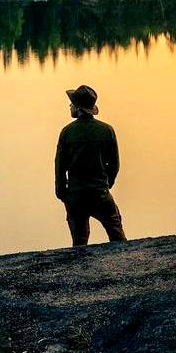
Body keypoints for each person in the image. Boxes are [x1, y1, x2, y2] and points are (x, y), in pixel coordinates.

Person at [54, 84, 126, 248]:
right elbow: (114, 164)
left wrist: (62, 193)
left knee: (79, 242)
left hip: (75, 196)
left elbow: (60, 166)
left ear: (78, 109)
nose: (70, 106)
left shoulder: (66, 132)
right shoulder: (107, 130)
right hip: (100, 194)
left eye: (72, 104)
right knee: (117, 235)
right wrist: (106, 185)